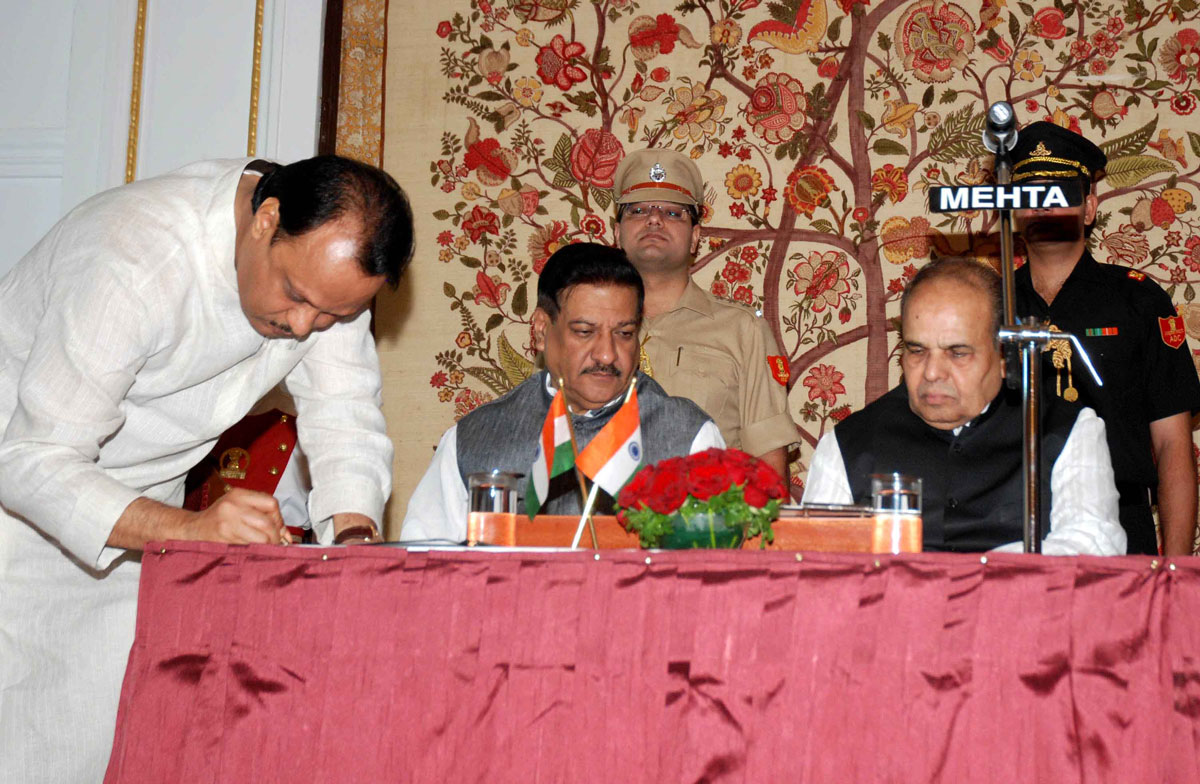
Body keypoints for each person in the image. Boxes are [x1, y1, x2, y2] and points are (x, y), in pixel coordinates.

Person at [0, 155, 414, 782]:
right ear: (265, 220)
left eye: (332, 316)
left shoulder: (323, 276)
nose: (304, 326)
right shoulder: (135, 258)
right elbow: (30, 460)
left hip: (137, 530)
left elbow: (345, 416)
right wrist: (191, 530)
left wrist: (353, 538)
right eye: (296, 296)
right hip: (19, 511)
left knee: (102, 744)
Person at [401, 243, 723, 542]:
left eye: (624, 333)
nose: (607, 354)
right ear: (541, 330)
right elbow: (424, 565)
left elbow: (719, 565)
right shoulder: (474, 442)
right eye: (585, 332)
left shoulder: (689, 438)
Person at [802, 258, 1125, 555]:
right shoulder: (848, 445)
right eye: (917, 351)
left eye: (957, 353)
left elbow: (1093, 544)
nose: (932, 372)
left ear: (1004, 357)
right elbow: (815, 568)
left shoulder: (1066, 430)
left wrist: (974, 577)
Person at [1011, 121, 1200, 556]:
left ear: (1089, 208)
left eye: (1057, 193)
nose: (1043, 206)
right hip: (1011, 530)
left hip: (1121, 529)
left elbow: (1172, 443)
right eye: (1030, 194)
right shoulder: (987, 305)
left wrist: (1175, 572)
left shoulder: (1139, 300)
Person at [610, 148, 798, 481]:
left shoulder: (743, 330)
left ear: (695, 238)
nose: (654, 219)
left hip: (707, 512)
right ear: (616, 233)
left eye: (673, 213)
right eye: (638, 210)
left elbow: (768, 472)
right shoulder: (585, 329)